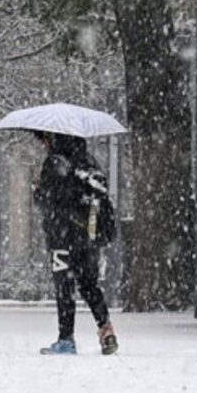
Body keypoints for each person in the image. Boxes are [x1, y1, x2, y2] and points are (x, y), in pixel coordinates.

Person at [32, 131, 117, 355]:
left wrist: (38, 190)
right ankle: (106, 330)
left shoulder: (54, 163)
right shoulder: (89, 164)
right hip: (87, 237)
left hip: (61, 237)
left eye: (45, 140)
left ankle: (66, 339)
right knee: (90, 286)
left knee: (64, 288)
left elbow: (48, 201)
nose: (43, 144)